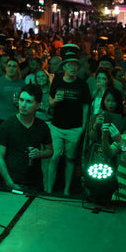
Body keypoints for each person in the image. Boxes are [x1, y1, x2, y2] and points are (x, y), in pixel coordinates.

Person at [47, 44, 90, 195]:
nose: (73, 67)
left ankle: (66, 190)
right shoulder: (57, 81)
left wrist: (83, 127)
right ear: (64, 66)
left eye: (75, 65)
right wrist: (55, 101)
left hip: (74, 128)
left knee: (70, 159)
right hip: (57, 126)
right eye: (70, 65)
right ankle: (49, 190)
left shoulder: (82, 84)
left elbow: (86, 106)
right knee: (55, 156)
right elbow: (50, 102)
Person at [0, 84, 53, 192]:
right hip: (13, 181)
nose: (23, 105)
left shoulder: (42, 126)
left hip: (35, 182)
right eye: (21, 100)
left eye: (29, 101)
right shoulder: (7, 126)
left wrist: (40, 153)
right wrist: (9, 182)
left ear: (38, 105)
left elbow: (50, 151)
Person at [0, 58, 25, 129]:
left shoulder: (22, 83)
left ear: (17, 69)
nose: (11, 68)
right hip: (2, 120)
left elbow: (25, 103)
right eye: (9, 66)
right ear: (5, 68)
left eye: (14, 66)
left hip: (17, 119)